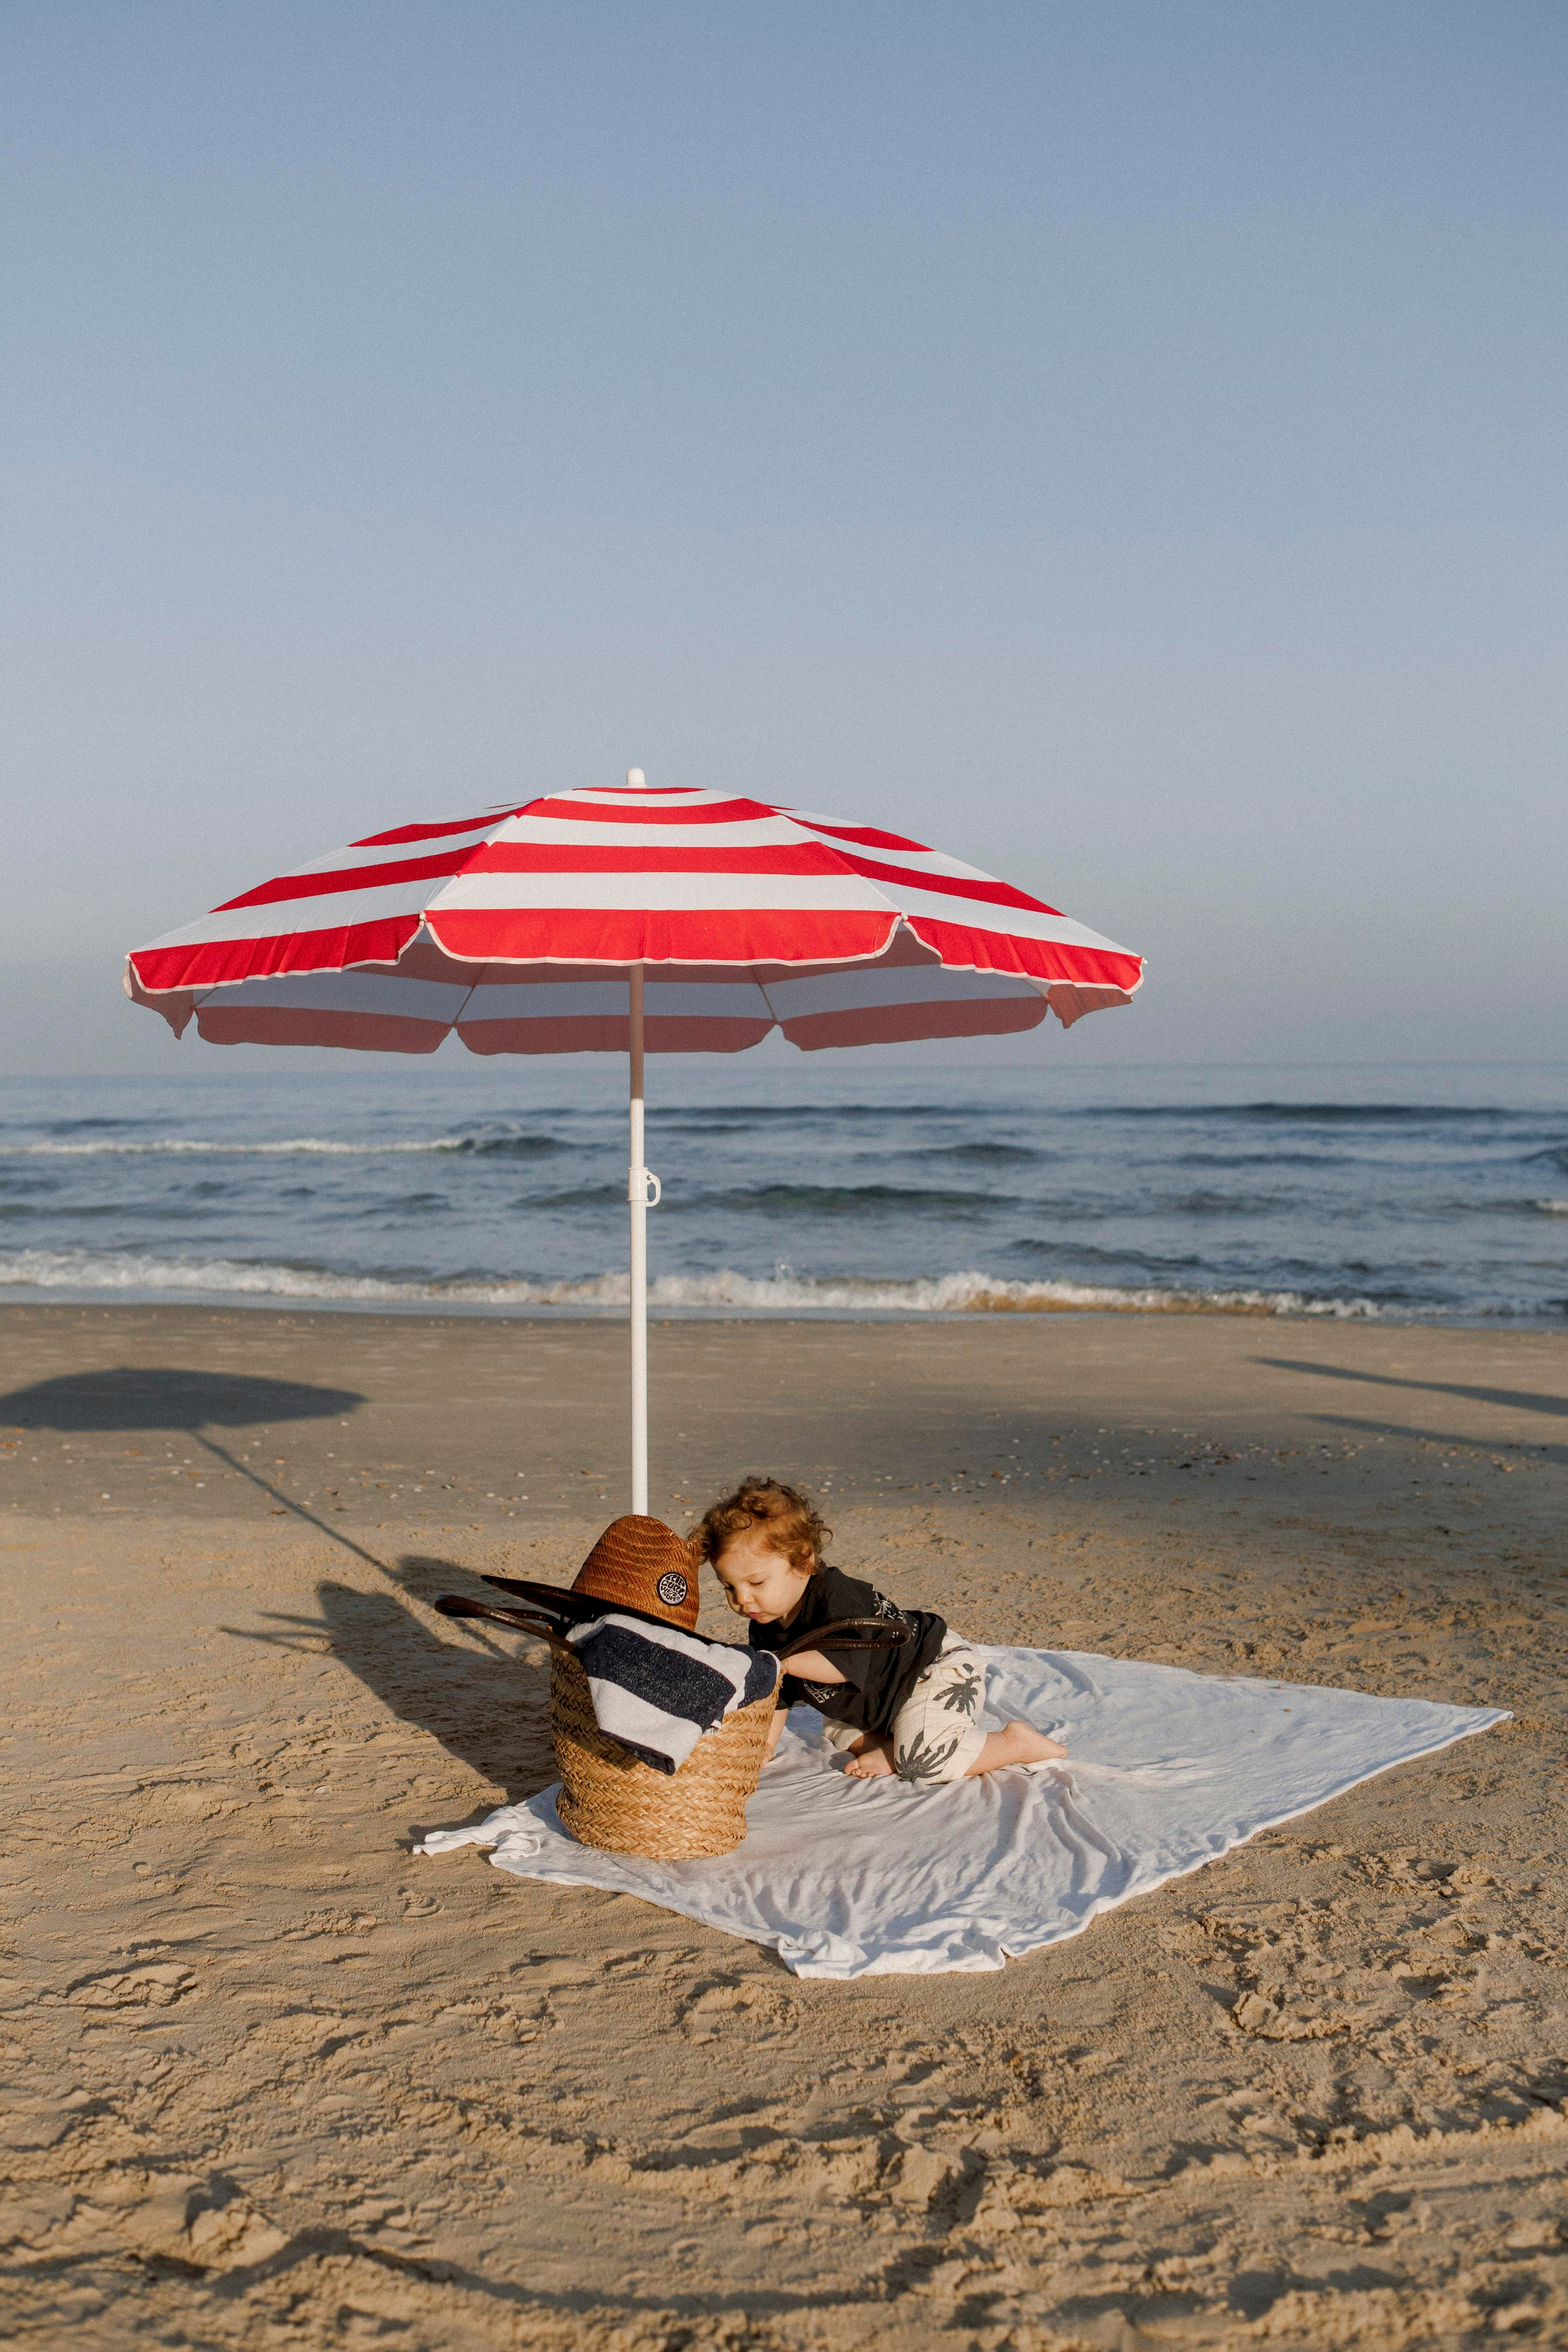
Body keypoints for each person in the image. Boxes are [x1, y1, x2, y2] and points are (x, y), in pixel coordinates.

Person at [691, 1476, 1066, 1784]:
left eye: (756, 1583)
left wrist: (778, 1662)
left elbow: (840, 1666)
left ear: (803, 1561)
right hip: (878, 1699)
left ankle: (1014, 1743)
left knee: (923, 1761)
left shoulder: (838, 1598)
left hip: (931, 1668)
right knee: (840, 1731)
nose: (742, 1601)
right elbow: (779, 1695)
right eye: (729, 1587)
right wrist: (764, 1748)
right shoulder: (767, 1625)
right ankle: (891, 1743)